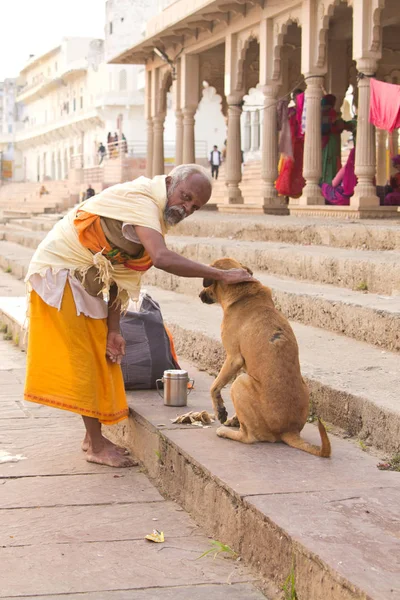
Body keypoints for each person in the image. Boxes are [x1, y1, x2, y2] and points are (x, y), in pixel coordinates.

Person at [24, 164, 254, 468]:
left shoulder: (155, 214)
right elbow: (161, 258)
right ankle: (95, 444)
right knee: (87, 357)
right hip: (60, 273)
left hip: (84, 278)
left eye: (194, 207)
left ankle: (90, 436)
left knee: (101, 353)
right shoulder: (144, 200)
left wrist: (114, 329)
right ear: (170, 182)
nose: (186, 208)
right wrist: (220, 275)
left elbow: (121, 277)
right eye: (185, 197)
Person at [276, 89, 305, 199]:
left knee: (299, 168)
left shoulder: (304, 112)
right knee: (287, 167)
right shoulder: (290, 111)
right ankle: (285, 194)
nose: (297, 101)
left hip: (301, 144)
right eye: (295, 98)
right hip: (290, 143)